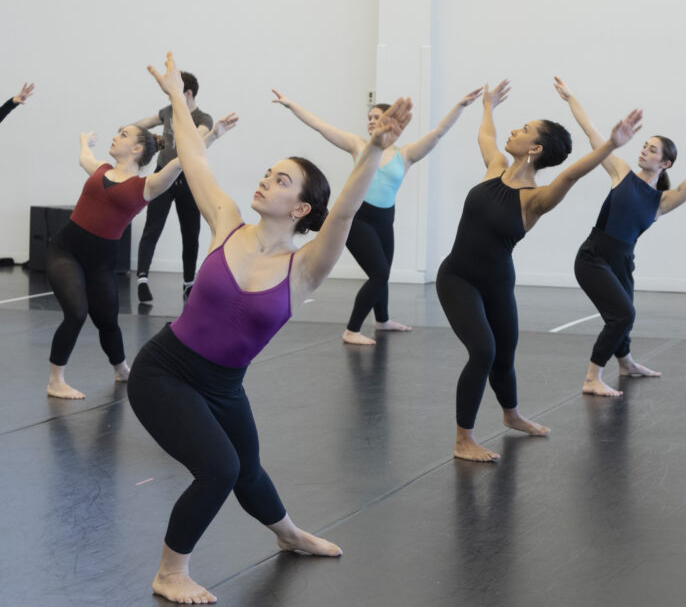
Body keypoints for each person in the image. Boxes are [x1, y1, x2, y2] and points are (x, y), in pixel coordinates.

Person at [129, 52, 412, 604]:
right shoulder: (227, 221)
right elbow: (191, 155)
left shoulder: (304, 268)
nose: (266, 181)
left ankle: (288, 535)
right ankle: (170, 572)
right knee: (219, 468)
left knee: (248, 471)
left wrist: (374, 150)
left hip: (224, 385)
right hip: (163, 371)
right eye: (267, 173)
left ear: (303, 208)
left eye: (280, 180)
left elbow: (347, 214)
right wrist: (174, 101)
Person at [436, 79, 643, 462]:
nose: (514, 131)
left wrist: (612, 145)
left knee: (504, 356)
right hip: (457, 277)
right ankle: (464, 438)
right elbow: (487, 136)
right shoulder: (495, 166)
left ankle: (512, 415)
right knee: (482, 351)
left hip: (498, 283)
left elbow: (571, 174)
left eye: (525, 129)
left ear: (535, 149)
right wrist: (487, 107)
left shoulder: (536, 199)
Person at [554, 77, 686, 396]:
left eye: (652, 150)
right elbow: (592, 133)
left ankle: (625, 363)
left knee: (623, 317)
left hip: (623, 261)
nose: (644, 151)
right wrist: (571, 98)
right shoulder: (620, 172)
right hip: (593, 256)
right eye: (644, 146)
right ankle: (591, 378)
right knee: (623, 314)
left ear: (665, 162)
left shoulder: (663, 201)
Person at [272, 86, 483, 344]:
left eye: (376, 117)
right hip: (358, 219)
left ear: (390, 121)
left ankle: (382, 320)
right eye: (369, 118)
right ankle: (352, 330)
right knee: (379, 274)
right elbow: (320, 125)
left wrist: (460, 105)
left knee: (384, 272)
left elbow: (438, 133)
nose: (371, 122)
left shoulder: (405, 154)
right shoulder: (358, 145)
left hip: (385, 221)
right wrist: (291, 104)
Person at [45, 126, 194, 399]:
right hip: (65, 251)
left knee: (107, 320)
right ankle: (56, 380)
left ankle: (121, 369)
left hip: (101, 264)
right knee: (77, 313)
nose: (115, 136)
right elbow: (84, 158)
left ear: (137, 149)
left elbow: (181, 161)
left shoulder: (146, 186)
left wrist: (212, 134)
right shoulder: (100, 169)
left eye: (123, 134)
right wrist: (83, 141)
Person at [133, 70, 234, 303]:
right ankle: (142, 279)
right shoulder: (168, 112)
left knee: (190, 233)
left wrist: (210, 134)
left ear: (187, 93)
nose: (170, 98)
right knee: (153, 227)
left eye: (174, 92)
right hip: (163, 177)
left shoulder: (202, 118)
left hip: (189, 180)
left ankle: (189, 284)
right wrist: (128, 129)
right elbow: (148, 122)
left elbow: (198, 140)